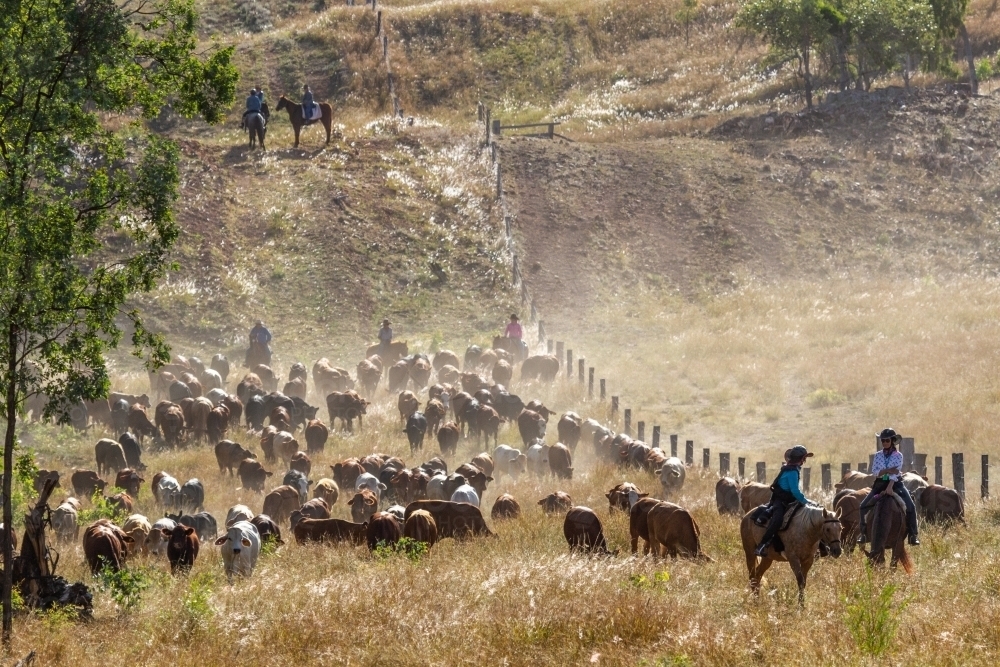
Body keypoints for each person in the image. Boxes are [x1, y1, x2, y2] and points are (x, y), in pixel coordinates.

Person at [858, 428, 920, 546]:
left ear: (892, 441)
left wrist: (890, 486)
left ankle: (913, 535)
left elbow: (896, 472)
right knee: (863, 506)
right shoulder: (878, 455)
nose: (885, 443)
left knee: (910, 505)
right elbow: (875, 472)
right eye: (883, 441)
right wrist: (887, 470)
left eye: (887, 440)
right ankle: (864, 534)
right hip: (879, 485)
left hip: (896, 484)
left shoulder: (898, 455)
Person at [754, 445, 819, 557]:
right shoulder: (792, 472)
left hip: (790, 500)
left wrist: (806, 501)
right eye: (804, 458)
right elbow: (794, 490)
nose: (804, 461)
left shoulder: (792, 469)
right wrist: (805, 501)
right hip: (781, 501)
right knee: (777, 520)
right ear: (799, 459)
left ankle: (820, 546)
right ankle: (762, 545)